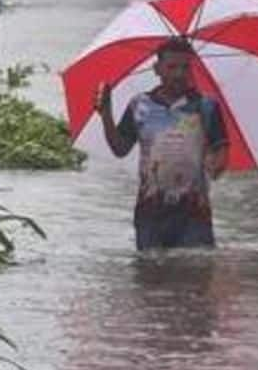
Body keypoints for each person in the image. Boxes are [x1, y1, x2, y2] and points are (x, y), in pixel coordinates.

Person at [96, 36, 230, 250]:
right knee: (150, 276)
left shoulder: (206, 107)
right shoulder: (140, 106)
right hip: (150, 211)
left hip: (194, 212)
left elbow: (222, 150)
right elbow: (120, 148)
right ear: (157, 68)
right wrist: (106, 115)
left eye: (185, 67)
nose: (179, 74)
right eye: (172, 67)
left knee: (195, 275)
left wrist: (216, 165)